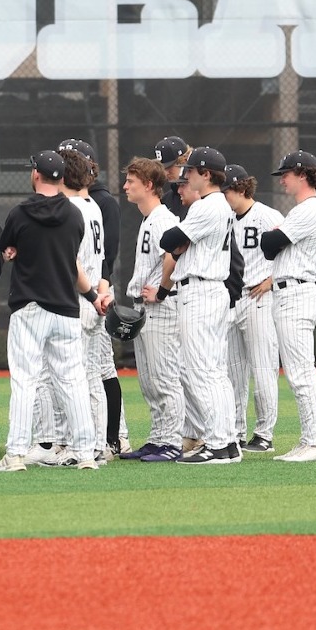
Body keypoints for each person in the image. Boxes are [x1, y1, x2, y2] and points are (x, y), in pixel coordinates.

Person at [0, 150, 107, 472]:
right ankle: (85, 454)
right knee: (73, 381)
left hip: (30, 306)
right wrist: (92, 294)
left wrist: (14, 250)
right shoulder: (74, 216)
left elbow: (7, 248)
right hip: (66, 307)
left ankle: (15, 455)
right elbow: (70, 259)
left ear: (36, 174)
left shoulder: (20, 213)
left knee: (25, 381)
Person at [159, 147, 242, 465]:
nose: (186, 175)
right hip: (209, 290)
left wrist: (181, 240)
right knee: (214, 372)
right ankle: (227, 442)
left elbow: (169, 240)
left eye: (191, 171)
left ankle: (219, 445)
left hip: (202, 291)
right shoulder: (216, 205)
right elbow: (177, 242)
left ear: (206, 174)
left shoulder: (208, 206)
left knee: (201, 372)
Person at [261, 150, 316, 463]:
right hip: (287, 292)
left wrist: (274, 234)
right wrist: (274, 235)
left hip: (297, 293)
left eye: (287, 174)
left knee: (302, 373)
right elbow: (269, 248)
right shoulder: (301, 209)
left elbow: (269, 244)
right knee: (297, 373)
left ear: (302, 174)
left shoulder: (310, 208)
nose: (283, 180)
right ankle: (309, 440)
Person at [61, 138, 128, 455]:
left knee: (98, 370)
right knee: (93, 371)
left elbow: (106, 258)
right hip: (91, 291)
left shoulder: (99, 202)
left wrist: (99, 293)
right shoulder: (90, 203)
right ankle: (99, 440)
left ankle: (109, 438)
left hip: (91, 289)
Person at [122, 157, 188, 463]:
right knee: (148, 380)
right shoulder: (149, 219)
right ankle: (158, 438)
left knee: (164, 377)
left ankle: (172, 442)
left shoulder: (163, 219)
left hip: (160, 308)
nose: (125, 186)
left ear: (149, 186)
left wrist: (162, 289)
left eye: (131, 182)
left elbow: (175, 254)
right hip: (144, 308)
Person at [224, 164, 284, 455]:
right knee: (233, 372)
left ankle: (264, 433)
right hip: (231, 300)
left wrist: (272, 280)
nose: (224, 197)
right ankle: (235, 430)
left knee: (263, 368)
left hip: (259, 298)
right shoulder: (224, 218)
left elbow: (290, 252)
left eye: (227, 191)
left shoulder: (267, 216)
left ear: (241, 189)